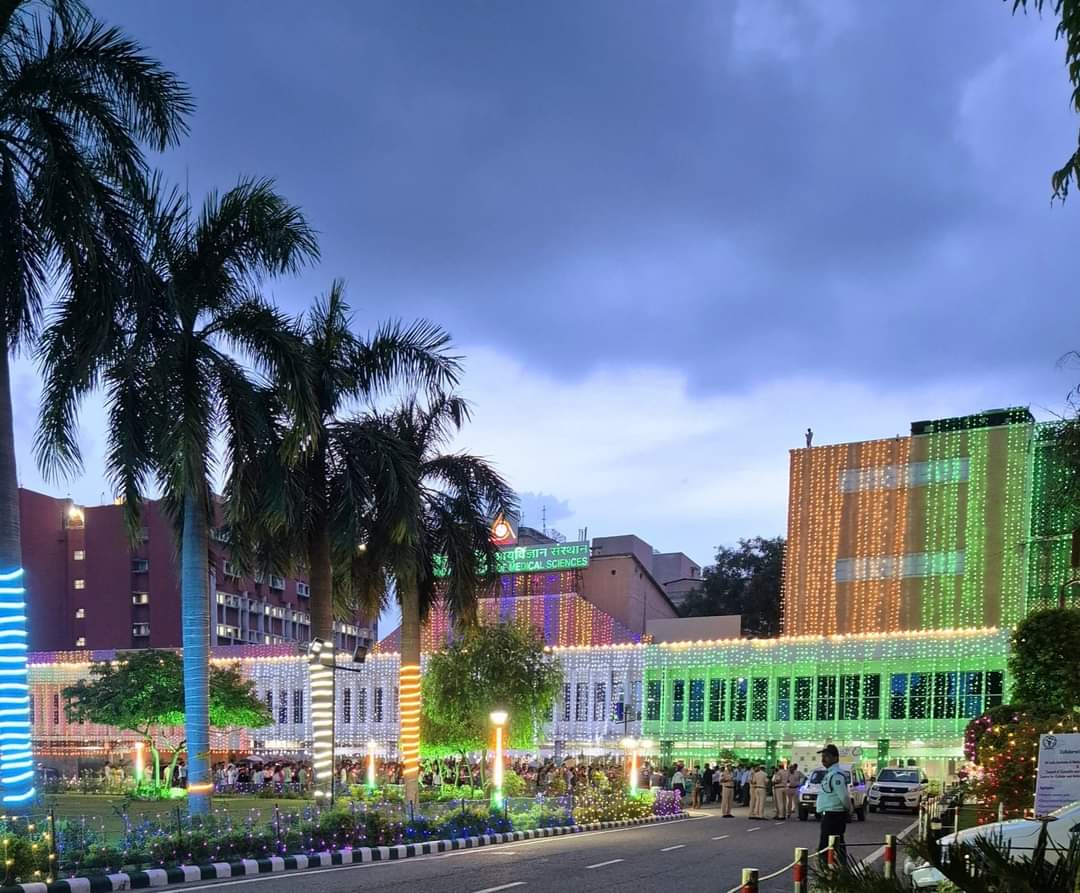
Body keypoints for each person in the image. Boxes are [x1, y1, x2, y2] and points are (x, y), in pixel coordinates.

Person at [815, 745, 850, 867]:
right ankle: (837, 872)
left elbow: (844, 796)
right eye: (823, 756)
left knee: (827, 847)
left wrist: (849, 809)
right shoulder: (830, 773)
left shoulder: (836, 775)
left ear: (835, 758)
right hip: (830, 815)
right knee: (833, 845)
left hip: (834, 815)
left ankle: (833, 874)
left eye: (827, 756)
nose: (823, 759)